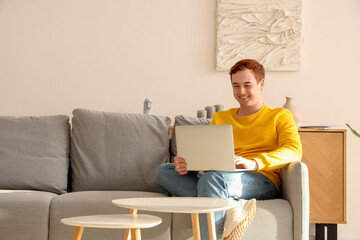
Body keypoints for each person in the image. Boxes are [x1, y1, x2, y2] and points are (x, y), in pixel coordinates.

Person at [156, 59, 302, 239]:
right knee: (165, 171)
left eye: (247, 85)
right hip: (219, 176)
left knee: (212, 180)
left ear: (261, 84)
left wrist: (254, 162)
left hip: (262, 178)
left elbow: (294, 150)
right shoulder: (221, 117)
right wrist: (190, 165)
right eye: (236, 86)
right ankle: (224, 199)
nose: (241, 92)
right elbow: (210, 155)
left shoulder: (280, 115)